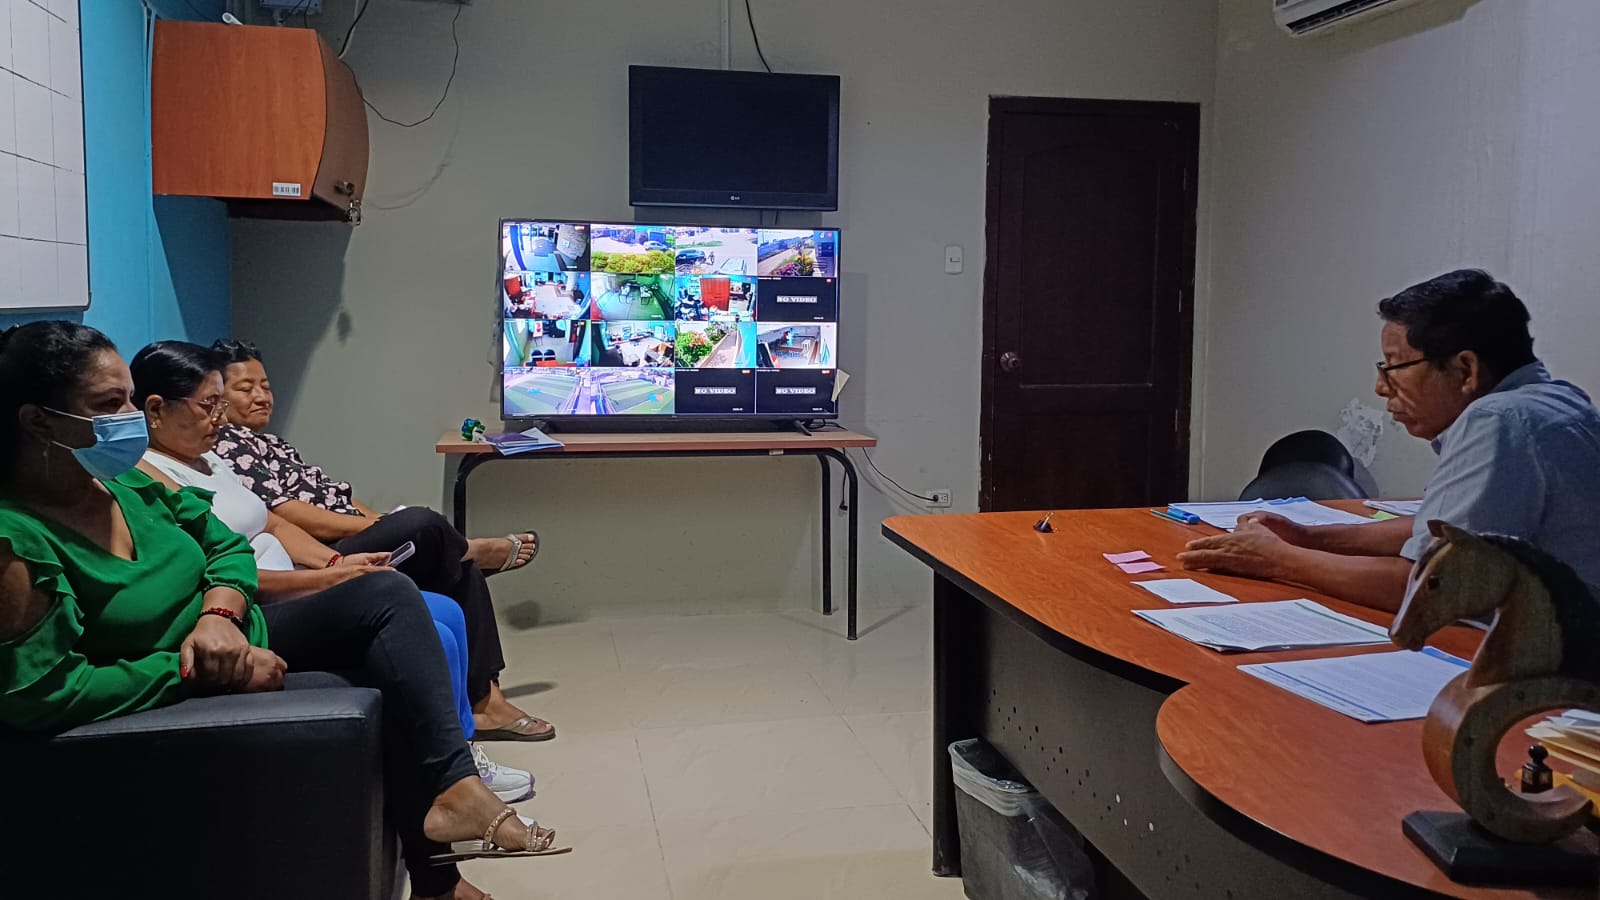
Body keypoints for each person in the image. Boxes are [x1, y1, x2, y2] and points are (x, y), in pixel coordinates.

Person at [0, 322, 562, 900]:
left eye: (128, 398)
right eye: (108, 405)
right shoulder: (16, 543)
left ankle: (454, 797)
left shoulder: (123, 486)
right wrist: (196, 671)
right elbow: (41, 695)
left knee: (389, 594)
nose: (130, 418)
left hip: (241, 627)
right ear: (39, 421)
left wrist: (219, 616)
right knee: (386, 672)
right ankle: (442, 874)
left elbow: (225, 548)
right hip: (184, 676)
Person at [128, 341, 533, 802]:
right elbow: (217, 569)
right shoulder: (151, 477)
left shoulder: (209, 457)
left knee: (446, 609)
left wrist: (337, 563)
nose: (221, 418)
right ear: (156, 409)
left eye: (223, 403)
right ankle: (447, 780)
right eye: (210, 405)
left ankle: (462, 748)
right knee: (415, 601)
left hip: (298, 578)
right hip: (262, 605)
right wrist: (327, 578)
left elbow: (274, 523)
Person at [1179, 269, 1600, 611]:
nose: (1381, 388)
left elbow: (1424, 588)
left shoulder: (1498, 421)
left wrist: (1275, 559)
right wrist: (1308, 538)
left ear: (1466, 370)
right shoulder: (1558, 400)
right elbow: (1442, 529)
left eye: (1395, 367)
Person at [210, 339, 556, 741]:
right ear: (217, 396)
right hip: (318, 556)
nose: (261, 396)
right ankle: (470, 548)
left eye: (265, 386)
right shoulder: (226, 443)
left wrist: (379, 522)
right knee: (424, 524)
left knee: (461, 568)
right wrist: (373, 528)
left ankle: (486, 702)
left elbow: (337, 496)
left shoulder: (273, 444)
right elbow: (285, 513)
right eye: (245, 388)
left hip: (343, 538)